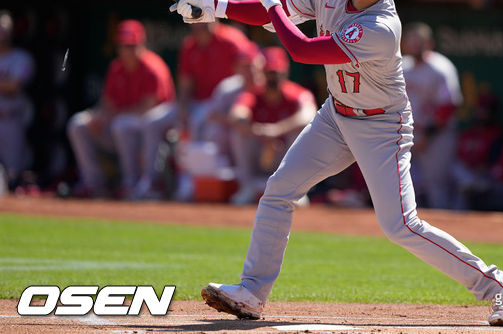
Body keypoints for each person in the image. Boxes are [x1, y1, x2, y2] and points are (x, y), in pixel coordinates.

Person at [170, 0, 503, 326]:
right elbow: (282, 14)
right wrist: (216, 7)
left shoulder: (381, 26)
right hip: (336, 114)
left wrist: (271, 4)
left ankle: (499, 284)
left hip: (381, 124)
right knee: (278, 191)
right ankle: (252, 292)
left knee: (400, 226)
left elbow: (301, 48)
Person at [133, 19, 254, 198]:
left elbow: (245, 75)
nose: (200, 29)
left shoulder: (232, 39)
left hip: (221, 103)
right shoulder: (190, 45)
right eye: (196, 24)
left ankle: (189, 181)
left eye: (204, 23)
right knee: (153, 121)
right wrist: (182, 109)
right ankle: (150, 181)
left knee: (197, 121)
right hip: (195, 102)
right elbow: (185, 85)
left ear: (214, 20)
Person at [67, 19, 175, 198]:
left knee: (121, 124)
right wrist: (96, 116)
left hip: (152, 132)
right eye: (124, 46)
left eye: (132, 45)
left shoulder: (152, 67)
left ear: (142, 44)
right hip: (122, 127)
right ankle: (93, 183)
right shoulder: (117, 68)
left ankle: (131, 183)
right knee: (78, 124)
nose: (128, 50)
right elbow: (107, 103)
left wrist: (110, 116)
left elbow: (147, 108)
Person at [228, 46, 316, 205]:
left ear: (284, 73)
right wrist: (256, 130)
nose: (272, 78)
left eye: (275, 73)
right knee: (239, 133)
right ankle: (247, 187)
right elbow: (236, 114)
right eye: (269, 73)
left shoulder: (295, 93)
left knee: (300, 131)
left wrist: (277, 130)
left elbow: (309, 114)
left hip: (283, 153)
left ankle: (295, 190)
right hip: (260, 152)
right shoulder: (253, 93)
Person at [402, 21, 463, 209]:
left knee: (437, 184)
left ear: (428, 43)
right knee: (406, 185)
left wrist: (426, 136)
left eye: (418, 42)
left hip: (438, 135)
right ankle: (409, 229)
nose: (414, 46)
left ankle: (443, 229)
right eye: (411, 42)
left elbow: (449, 106)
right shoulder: (402, 66)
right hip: (408, 132)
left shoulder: (440, 68)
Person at [0, 10, 35, 189]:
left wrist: (7, 84)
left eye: (4, 29)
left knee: (14, 175)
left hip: (10, 119)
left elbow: (14, 86)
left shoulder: (21, 57)